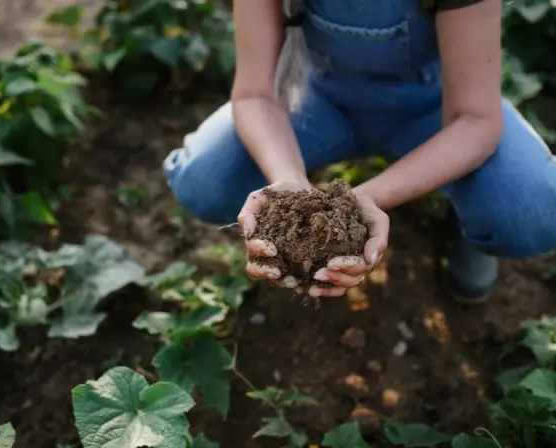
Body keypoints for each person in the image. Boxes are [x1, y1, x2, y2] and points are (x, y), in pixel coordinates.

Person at [164, 0, 556, 302]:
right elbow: (254, 95)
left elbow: (475, 119)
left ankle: (470, 221)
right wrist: (288, 181)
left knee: (531, 212)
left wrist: (361, 200)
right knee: (206, 180)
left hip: (436, 109)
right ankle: (306, 175)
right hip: (319, 99)